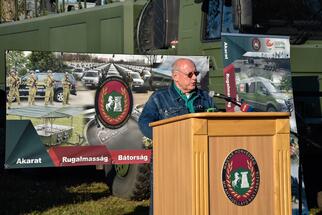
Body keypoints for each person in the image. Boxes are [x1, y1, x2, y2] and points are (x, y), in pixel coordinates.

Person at [138, 58, 216, 215]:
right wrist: (166, 137)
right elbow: (144, 122)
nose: (195, 78)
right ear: (175, 76)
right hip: (169, 162)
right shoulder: (159, 98)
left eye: (196, 73)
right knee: (166, 204)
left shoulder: (205, 97)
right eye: (190, 74)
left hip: (200, 162)